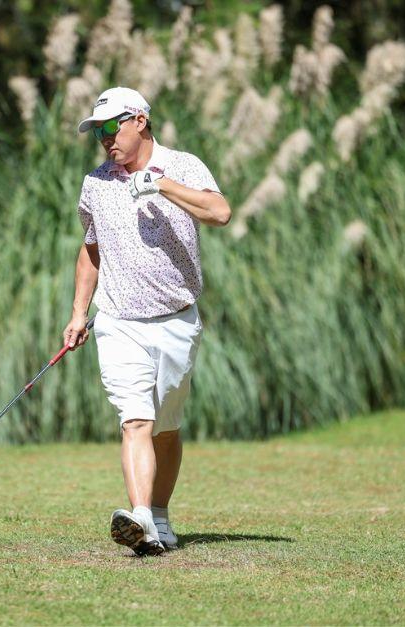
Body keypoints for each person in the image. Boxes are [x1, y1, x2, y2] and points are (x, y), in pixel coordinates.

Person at [62, 86, 231, 556]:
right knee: (136, 420)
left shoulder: (183, 165)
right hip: (118, 321)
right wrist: (79, 313)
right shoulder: (96, 183)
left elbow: (220, 213)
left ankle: (158, 514)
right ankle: (139, 520)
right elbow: (90, 250)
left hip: (177, 320)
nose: (105, 139)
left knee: (166, 428)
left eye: (112, 127)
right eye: (98, 132)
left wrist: (161, 185)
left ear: (139, 120)